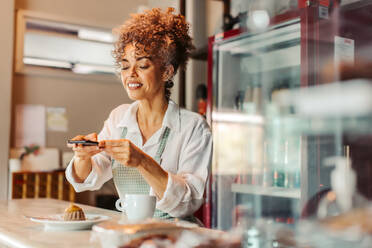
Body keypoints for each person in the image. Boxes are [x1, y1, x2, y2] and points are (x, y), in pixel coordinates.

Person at [65, 8, 212, 223]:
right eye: (125, 66)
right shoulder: (119, 118)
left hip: (177, 236)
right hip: (132, 231)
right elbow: (89, 178)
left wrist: (142, 161)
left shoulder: (194, 127)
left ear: (167, 72)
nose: (130, 74)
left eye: (142, 65)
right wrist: (82, 157)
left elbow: (187, 203)